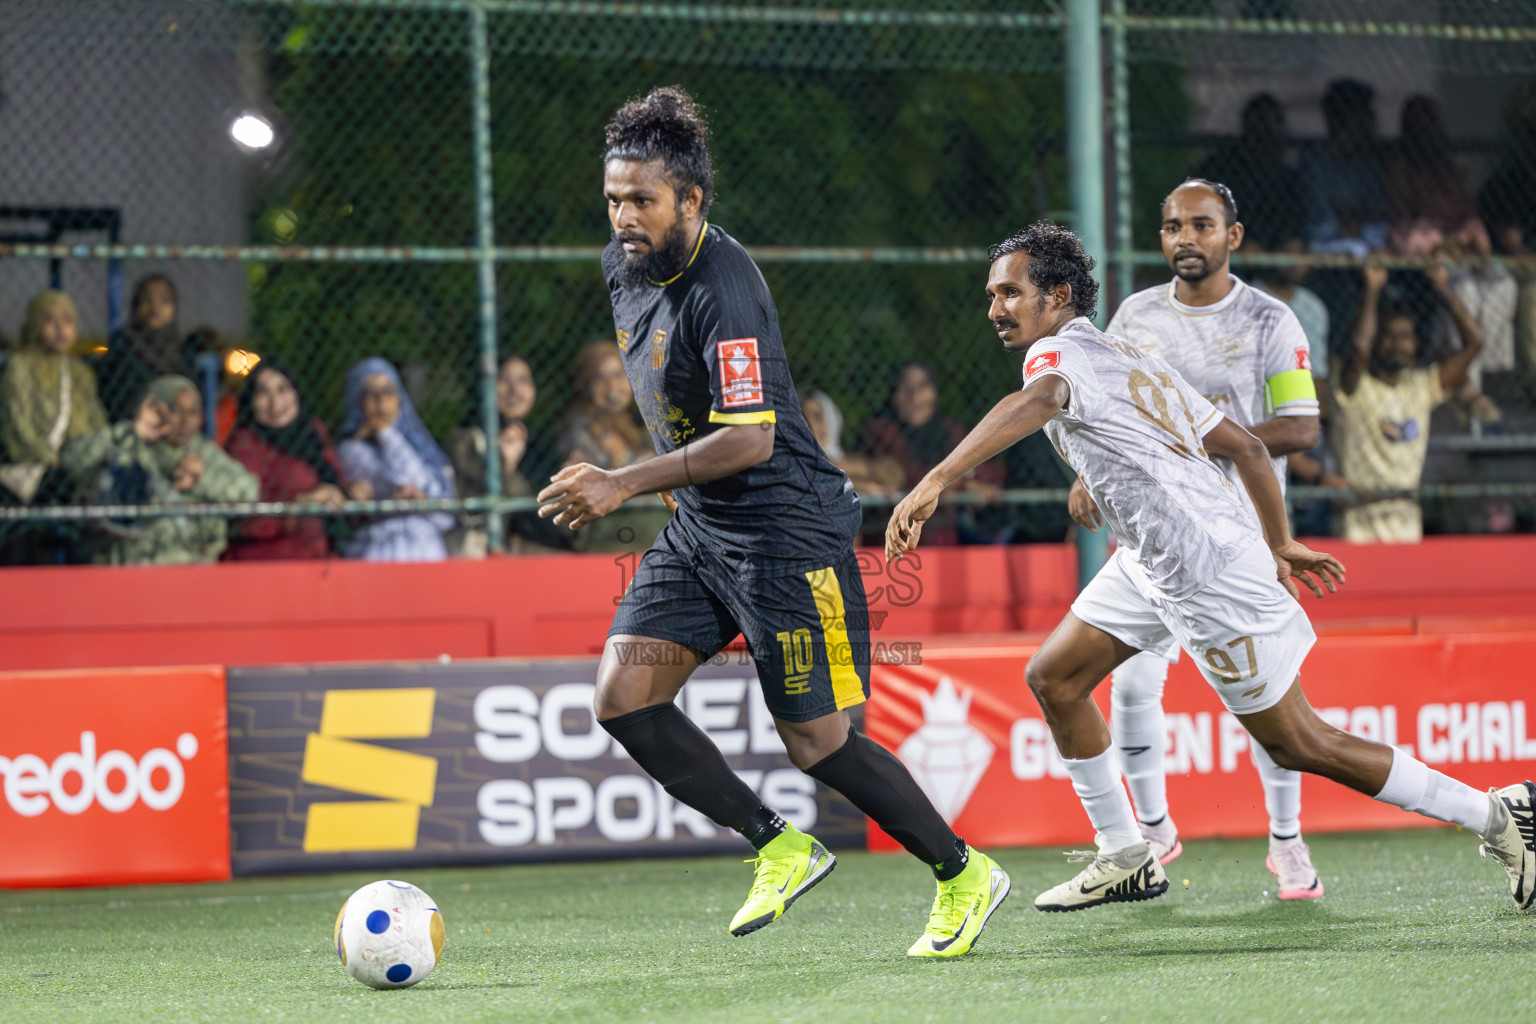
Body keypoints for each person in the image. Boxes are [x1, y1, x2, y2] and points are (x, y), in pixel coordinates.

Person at [885, 220, 1535, 914]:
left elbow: (1042, 399)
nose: (994, 309)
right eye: (992, 295)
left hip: (1206, 571)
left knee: (1296, 741)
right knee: (1055, 676)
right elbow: (1248, 452)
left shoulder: (1054, 360)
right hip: (1152, 562)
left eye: (1009, 293)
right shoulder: (1128, 356)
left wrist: (935, 480)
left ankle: (1500, 817)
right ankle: (1126, 855)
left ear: (1057, 295)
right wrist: (1279, 541)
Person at [536, 86, 1009, 958]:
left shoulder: (728, 287)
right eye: (613, 198)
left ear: (693, 199)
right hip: (702, 532)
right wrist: (670, 489)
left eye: (642, 200)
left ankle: (964, 873)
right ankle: (779, 844)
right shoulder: (622, 263)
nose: (624, 216)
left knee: (820, 746)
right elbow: (660, 389)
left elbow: (751, 440)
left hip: (789, 533)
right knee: (623, 697)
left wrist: (622, 483)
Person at [1069, 179, 1325, 898]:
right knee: (1133, 683)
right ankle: (1153, 832)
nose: (1186, 237)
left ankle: (1287, 841)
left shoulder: (1272, 320)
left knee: (1272, 701)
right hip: (1154, 536)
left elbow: (1302, 427)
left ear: (1232, 237)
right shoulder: (1134, 315)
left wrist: (1188, 445)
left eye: (1202, 225)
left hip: (1242, 536)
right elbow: (1101, 406)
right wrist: (1090, 471)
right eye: (1173, 225)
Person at [1334, 263, 1484, 543]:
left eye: (1406, 337)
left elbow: (1474, 343)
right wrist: (1372, 290)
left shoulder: (1421, 387)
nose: (1398, 344)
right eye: (1388, 336)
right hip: (1358, 525)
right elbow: (1359, 349)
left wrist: (1443, 288)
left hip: (1407, 524)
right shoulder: (1355, 388)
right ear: (1377, 341)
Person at [60, 375, 258, 564]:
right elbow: (72, 460)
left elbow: (249, 492)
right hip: (131, 567)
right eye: (174, 410)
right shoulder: (129, 443)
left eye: (193, 412)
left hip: (191, 566)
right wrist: (132, 431)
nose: (185, 421)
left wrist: (202, 480)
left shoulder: (202, 453)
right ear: (154, 409)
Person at [225, 359, 364, 560]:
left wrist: (351, 493)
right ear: (251, 400)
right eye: (263, 393)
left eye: (283, 390)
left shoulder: (312, 434)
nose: (275, 402)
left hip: (319, 559)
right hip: (264, 562)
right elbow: (244, 521)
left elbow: (334, 479)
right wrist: (302, 504)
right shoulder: (244, 444)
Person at [856, 360, 1003, 546]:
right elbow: (905, 475)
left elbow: (991, 472)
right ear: (893, 394)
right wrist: (959, 483)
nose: (914, 396)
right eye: (905, 387)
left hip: (942, 544)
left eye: (922, 386)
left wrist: (966, 477)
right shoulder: (880, 430)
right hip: (891, 542)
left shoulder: (947, 431)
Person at [336, 357, 456, 562]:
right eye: (371, 394)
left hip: (426, 551)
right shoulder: (350, 450)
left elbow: (445, 515)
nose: (380, 402)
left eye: (388, 392)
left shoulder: (422, 448)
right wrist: (384, 433)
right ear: (358, 401)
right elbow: (400, 481)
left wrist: (387, 434)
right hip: (376, 552)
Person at [449, 353, 569, 556]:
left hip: (540, 548)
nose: (515, 390)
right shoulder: (467, 440)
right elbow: (474, 502)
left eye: (523, 380)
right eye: (503, 380)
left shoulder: (542, 444)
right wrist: (504, 465)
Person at [556, 341, 670, 553]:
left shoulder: (639, 425)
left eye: (618, 375)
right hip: (612, 536)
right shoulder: (583, 429)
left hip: (649, 532)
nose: (611, 387)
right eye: (600, 378)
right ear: (587, 385)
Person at [0, 291, 108, 504]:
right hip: (39, 463)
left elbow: (96, 420)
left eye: (67, 321)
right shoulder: (21, 366)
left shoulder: (78, 372)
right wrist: (49, 457)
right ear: (35, 325)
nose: (60, 329)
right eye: (49, 320)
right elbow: (19, 426)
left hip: (77, 460)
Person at [1195, 94, 1306, 250]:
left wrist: (1288, 241)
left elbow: (1294, 216)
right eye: (1260, 125)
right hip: (1236, 238)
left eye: (1271, 126)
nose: (1266, 134)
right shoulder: (1226, 165)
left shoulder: (1285, 175)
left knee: (1294, 250)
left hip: (1277, 238)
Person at [1298, 79, 1389, 256]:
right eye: (1362, 115)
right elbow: (1319, 216)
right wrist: (1348, 223)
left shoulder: (1369, 162)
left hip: (1366, 238)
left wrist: (1357, 224)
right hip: (1324, 241)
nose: (1369, 122)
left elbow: (1377, 212)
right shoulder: (1316, 159)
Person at [96, 275, 192, 422]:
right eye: (146, 301)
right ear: (136, 307)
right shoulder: (123, 348)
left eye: (164, 301)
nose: (155, 308)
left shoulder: (182, 351)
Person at [799, 387, 903, 498]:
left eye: (817, 417)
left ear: (831, 419)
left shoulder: (840, 457)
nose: (809, 425)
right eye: (802, 418)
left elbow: (896, 474)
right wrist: (862, 484)